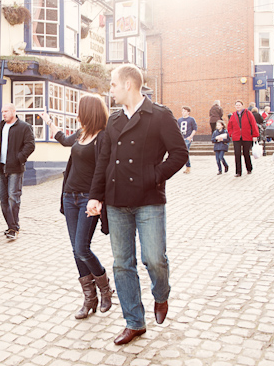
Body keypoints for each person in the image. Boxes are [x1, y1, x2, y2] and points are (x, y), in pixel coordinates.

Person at [86, 64, 188, 345]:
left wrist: (154, 176)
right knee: (122, 264)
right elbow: (103, 162)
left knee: (154, 258)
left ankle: (161, 295)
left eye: (113, 85)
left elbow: (179, 154)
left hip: (149, 200)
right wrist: (96, 196)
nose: (111, 90)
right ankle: (134, 322)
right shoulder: (114, 120)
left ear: (128, 85)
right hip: (117, 202)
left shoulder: (159, 116)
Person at [39, 95, 113, 320]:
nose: (77, 114)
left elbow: (104, 170)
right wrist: (49, 123)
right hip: (70, 197)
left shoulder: (102, 137)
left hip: (87, 200)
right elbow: (63, 140)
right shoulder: (81, 134)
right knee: (75, 250)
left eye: (80, 110)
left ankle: (105, 287)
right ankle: (89, 299)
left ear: (89, 111)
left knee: (82, 248)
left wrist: (97, 198)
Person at [0, 103, 35, 240]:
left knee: (13, 197)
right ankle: (11, 226)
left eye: (6, 111)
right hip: (1, 168)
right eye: (2, 111)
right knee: (3, 200)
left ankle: (14, 228)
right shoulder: (0, 128)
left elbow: (30, 145)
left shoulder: (24, 127)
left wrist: (19, 158)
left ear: (13, 111)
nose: (3, 114)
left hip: (15, 168)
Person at [227, 100, 259, 177]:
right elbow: (229, 126)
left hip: (247, 136)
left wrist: (255, 135)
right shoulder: (233, 115)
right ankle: (238, 172)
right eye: (236, 105)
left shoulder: (248, 113)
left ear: (242, 106)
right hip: (237, 137)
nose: (238, 106)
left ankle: (249, 168)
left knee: (246, 153)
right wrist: (231, 134)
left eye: (239, 105)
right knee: (237, 154)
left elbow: (253, 124)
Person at [177, 106, 197, 174]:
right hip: (181, 138)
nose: (183, 112)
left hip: (187, 138)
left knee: (185, 152)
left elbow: (194, 129)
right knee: (182, 153)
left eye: (185, 111)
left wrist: (190, 137)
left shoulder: (191, 119)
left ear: (188, 112)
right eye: (182, 111)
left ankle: (188, 167)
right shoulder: (179, 120)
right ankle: (185, 166)